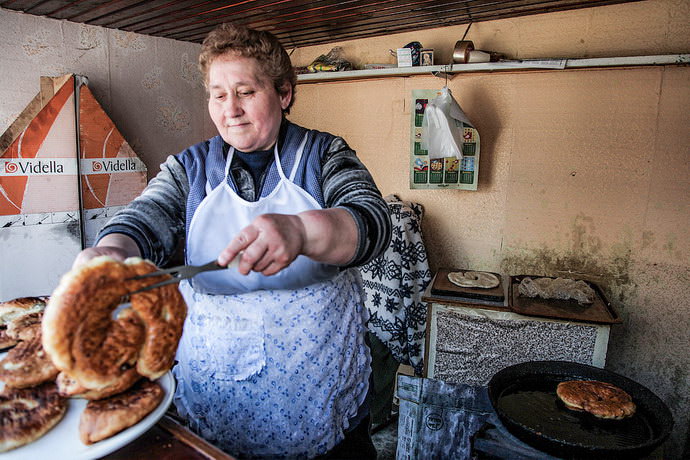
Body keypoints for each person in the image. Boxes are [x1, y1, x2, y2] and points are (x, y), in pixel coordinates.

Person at [74, 23, 391, 459]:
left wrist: (301, 231)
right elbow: (145, 220)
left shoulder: (324, 155)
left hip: (318, 396)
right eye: (218, 95)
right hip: (214, 399)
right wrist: (111, 252)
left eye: (245, 91)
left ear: (284, 93)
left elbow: (371, 224)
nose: (231, 110)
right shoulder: (191, 169)